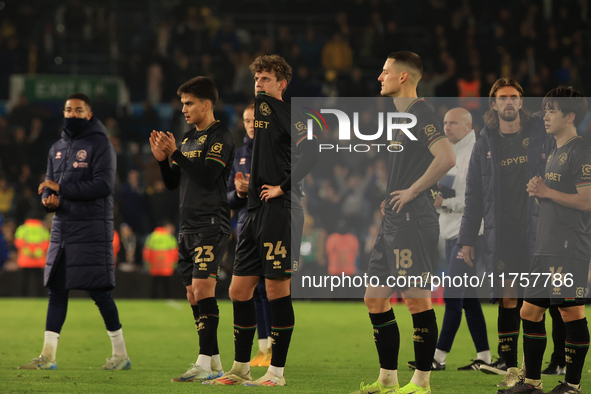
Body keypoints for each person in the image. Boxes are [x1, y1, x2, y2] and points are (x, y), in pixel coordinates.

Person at [206, 54, 319, 387]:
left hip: (279, 211)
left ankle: (276, 373)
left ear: (282, 84)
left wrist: (283, 186)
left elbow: (313, 150)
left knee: (276, 291)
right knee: (239, 290)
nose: (258, 83)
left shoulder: (285, 112)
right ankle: (241, 368)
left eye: (266, 78)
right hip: (253, 211)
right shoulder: (261, 119)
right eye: (256, 78)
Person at [352, 51, 456, 394]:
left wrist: (412, 191)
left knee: (416, 299)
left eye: (385, 72)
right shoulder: (402, 119)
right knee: (374, 298)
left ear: (403, 78)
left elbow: (447, 157)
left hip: (414, 221)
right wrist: (396, 194)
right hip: (396, 220)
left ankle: (422, 382)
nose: (380, 77)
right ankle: (387, 379)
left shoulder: (420, 113)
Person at [19, 93, 131, 371]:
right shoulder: (57, 146)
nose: (72, 114)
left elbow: (103, 186)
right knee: (57, 291)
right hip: (63, 228)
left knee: (99, 292)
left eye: (78, 110)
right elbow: (50, 185)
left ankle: (121, 355)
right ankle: (47, 357)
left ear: (89, 115)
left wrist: (60, 189)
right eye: (68, 109)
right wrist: (49, 199)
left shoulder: (101, 144)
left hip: (92, 227)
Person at [458, 78, 555, 387]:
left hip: (538, 229)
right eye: (503, 98)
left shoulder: (540, 133)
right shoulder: (485, 141)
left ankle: (543, 366)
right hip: (503, 235)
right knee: (508, 298)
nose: (509, 102)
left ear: (521, 102)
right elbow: (473, 196)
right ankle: (512, 369)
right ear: (494, 104)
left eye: (514, 97)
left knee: (542, 301)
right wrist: (466, 240)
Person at [499, 86, 590, 394]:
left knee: (570, 312)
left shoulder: (580, 150)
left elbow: (587, 200)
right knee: (529, 312)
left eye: (552, 110)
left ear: (570, 116)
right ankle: (533, 383)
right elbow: (560, 200)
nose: (546, 116)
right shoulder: (555, 151)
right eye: (546, 109)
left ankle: (572, 385)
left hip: (567, 248)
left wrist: (547, 192)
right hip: (545, 246)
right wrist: (540, 196)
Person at [150, 76, 235, 382]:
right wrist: (164, 161)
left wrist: (175, 155)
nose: (184, 109)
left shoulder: (221, 136)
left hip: (211, 223)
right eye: (182, 103)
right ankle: (214, 363)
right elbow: (174, 182)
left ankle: (202, 362)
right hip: (186, 225)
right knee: (191, 294)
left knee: (202, 289)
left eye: (189, 103)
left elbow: (208, 175)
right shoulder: (187, 139)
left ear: (206, 104)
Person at [409, 107, 491, 371]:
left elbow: (475, 200)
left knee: (453, 295)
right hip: (451, 231)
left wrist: (444, 203)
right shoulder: (451, 153)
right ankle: (485, 357)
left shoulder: (474, 154)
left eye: (453, 123)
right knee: (468, 298)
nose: (447, 127)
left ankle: (438, 357)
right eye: (445, 122)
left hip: (469, 234)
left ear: (468, 127)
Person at [226, 104, 273, 368]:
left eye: (255, 120)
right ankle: (263, 347)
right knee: (253, 291)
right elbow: (229, 197)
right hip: (245, 226)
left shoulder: (275, 150)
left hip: (272, 225)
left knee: (270, 289)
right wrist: (241, 193)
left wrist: (251, 189)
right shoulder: (240, 154)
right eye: (246, 120)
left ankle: (275, 347)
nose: (251, 124)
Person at [14, 215, 50, 297]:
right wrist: (37, 253)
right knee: (39, 279)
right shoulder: (42, 229)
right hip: (39, 259)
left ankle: (23, 296)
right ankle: (41, 296)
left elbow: (19, 243)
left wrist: (28, 253)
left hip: (25, 259)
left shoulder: (22, 228)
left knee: (24, 279)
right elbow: (46, 243)